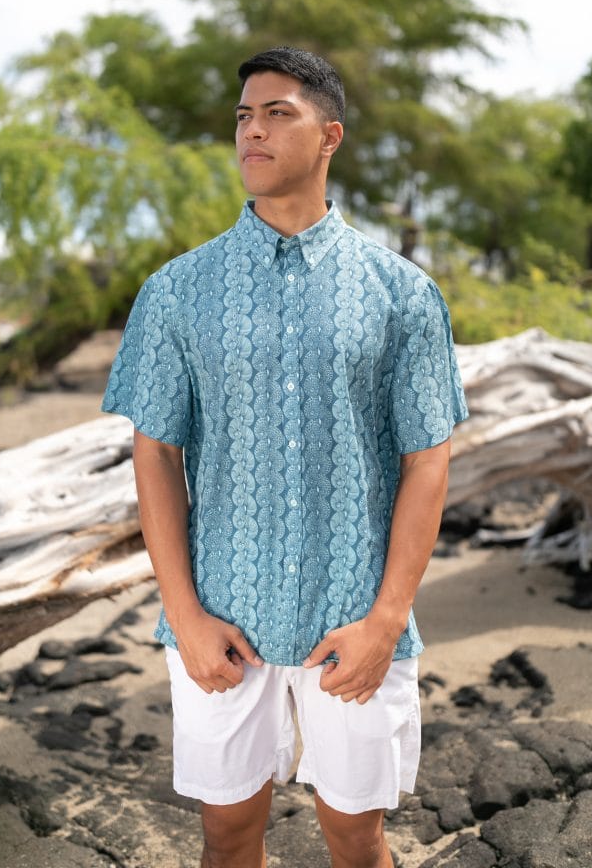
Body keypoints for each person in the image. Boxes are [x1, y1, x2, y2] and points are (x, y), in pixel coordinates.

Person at [101, 46, 468, 868]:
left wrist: (382, 622)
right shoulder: (176, 290)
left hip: (356, 623)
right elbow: (155, 452)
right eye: (242, 116)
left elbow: (427, 459)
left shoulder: (401, 293)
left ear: (328, 135)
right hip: (221, 625)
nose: (252, 130)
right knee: (227, 834)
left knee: (356, 835)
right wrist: (185, 617)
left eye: (277, 113)